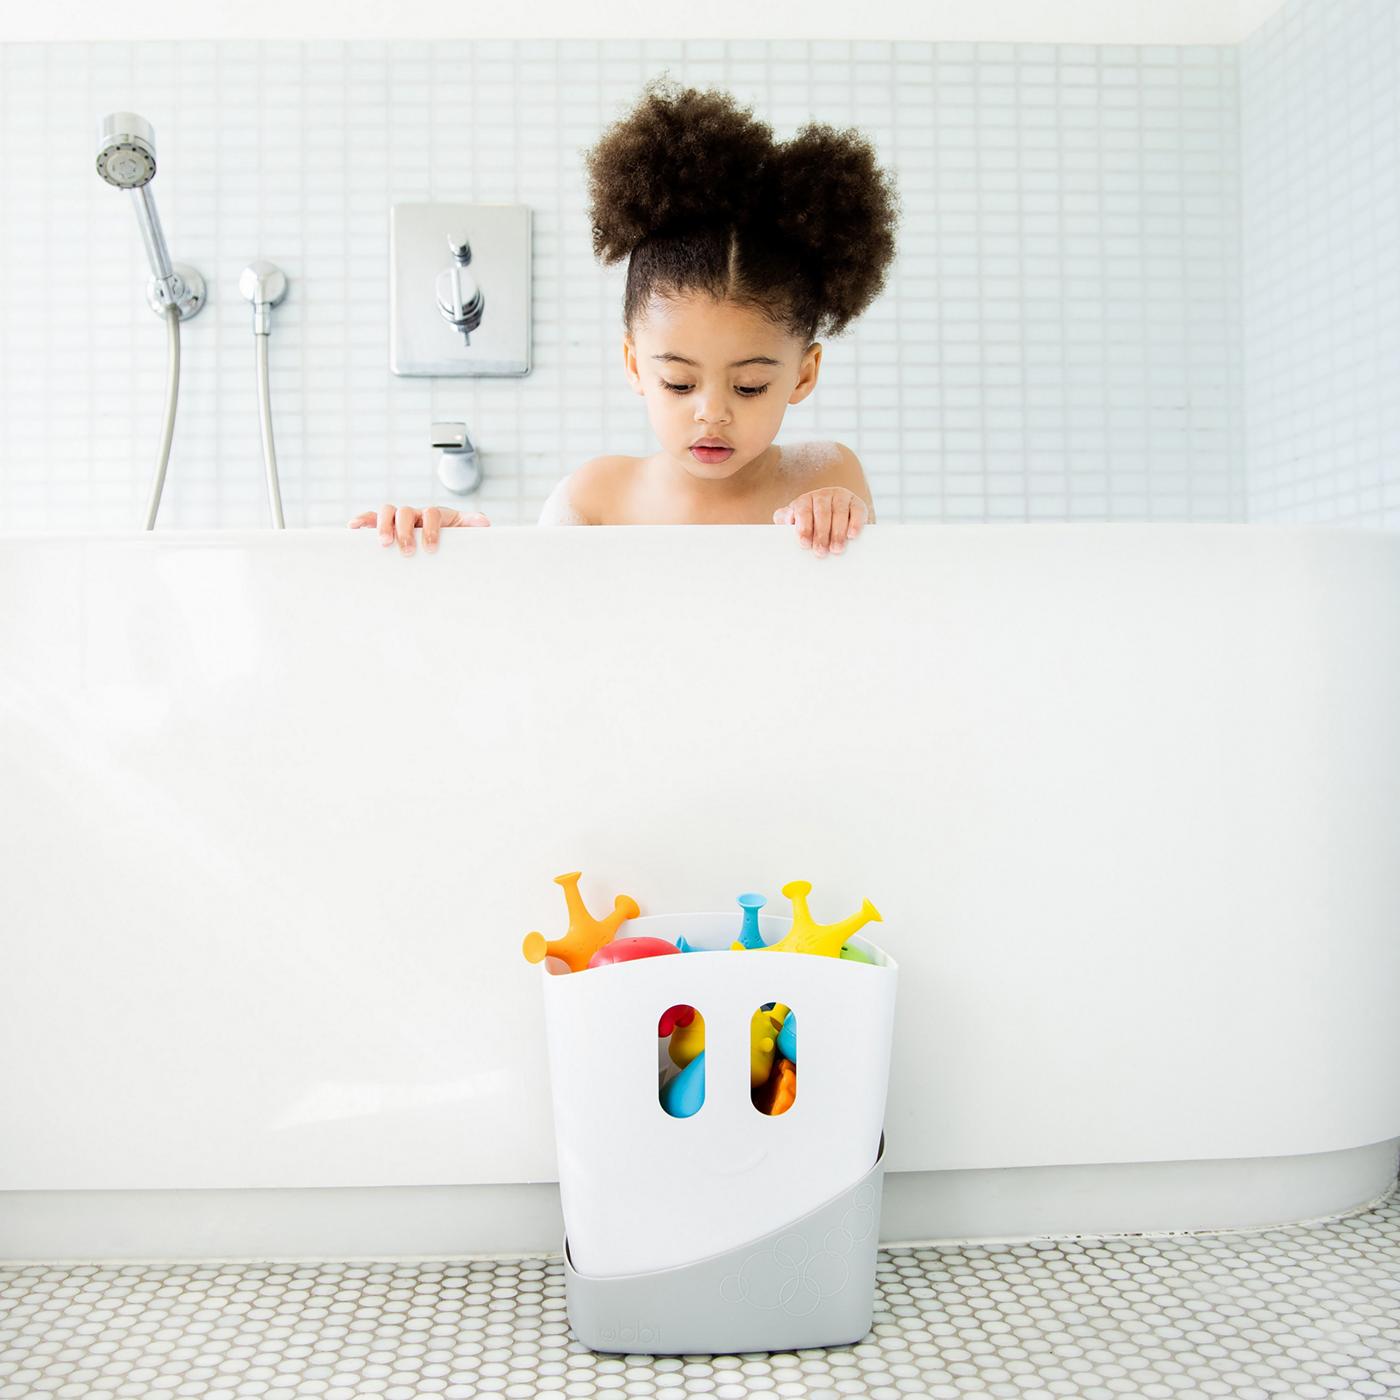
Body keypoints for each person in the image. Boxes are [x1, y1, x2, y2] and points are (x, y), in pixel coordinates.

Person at [349, 77, 900, 559]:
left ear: (803, 374)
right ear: (635, 364)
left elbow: (863, 622)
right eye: (679, 382)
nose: (712, 413)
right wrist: (454, 553)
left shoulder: (828, 477)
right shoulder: (596, 497)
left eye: (750, 386)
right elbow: (530, 624)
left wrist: (844, 522)